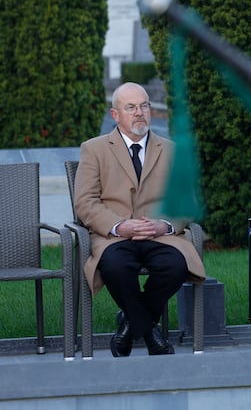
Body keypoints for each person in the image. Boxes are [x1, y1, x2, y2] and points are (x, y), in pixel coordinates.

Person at [75, 82, 205, 356]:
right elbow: (85, 202)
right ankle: (149, 332)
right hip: (115, 236)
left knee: (176, 265)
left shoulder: (170, 150)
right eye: (130, 107)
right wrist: (119, 225)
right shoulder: (94, 149)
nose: (139, 113)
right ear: (115, 114)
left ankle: (129, 325)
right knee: (115, 266)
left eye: (144, 106)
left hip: (159, 234)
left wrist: (164, 225)